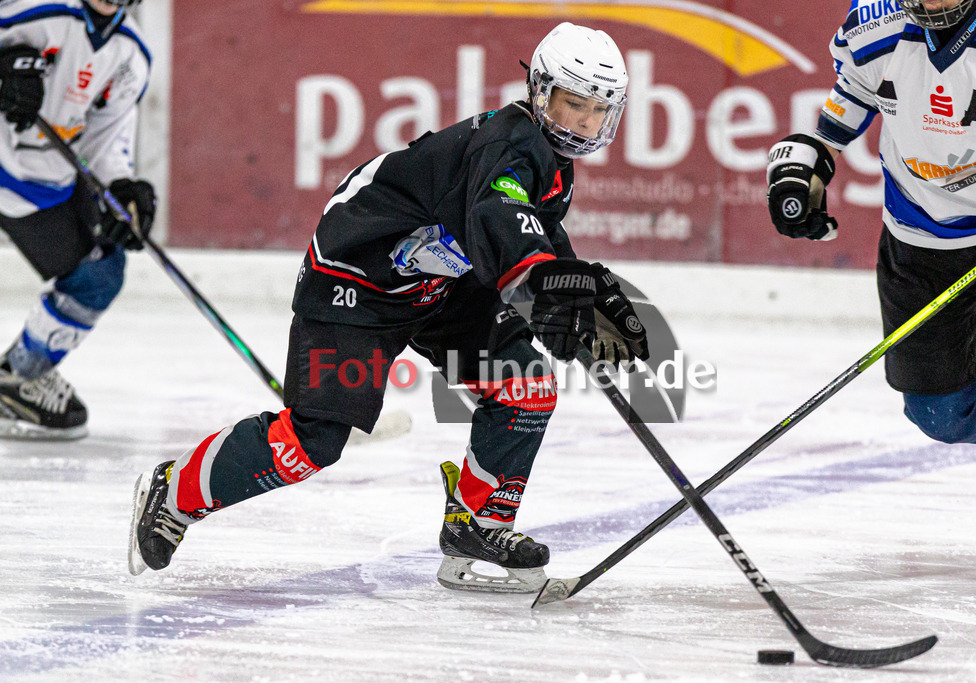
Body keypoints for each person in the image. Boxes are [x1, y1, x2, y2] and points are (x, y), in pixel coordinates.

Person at [129, 22, 650, 592]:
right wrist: (547, 293)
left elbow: (537, 237)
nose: (585, 121)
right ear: (540, 91)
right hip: (357, 282)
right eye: (574, 103)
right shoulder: (510, 143)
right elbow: (501, 223)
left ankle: (478, 524)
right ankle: (175, 491)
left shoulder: (552, 162)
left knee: (524, 382)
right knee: (312, 442)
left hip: (441, 285)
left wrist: (582, 294)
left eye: (600, 110)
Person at [766, 0, 976, 545]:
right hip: (921, 233)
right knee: (942, 415)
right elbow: (840, 118)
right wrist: (802, 168)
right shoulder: (874, 26)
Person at [0, 0, 156, 440]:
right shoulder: (34, 11)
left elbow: (107, 138)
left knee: (100, 272)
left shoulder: (131, 54)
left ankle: (18, 380)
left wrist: (120, 188)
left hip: (38, 181)